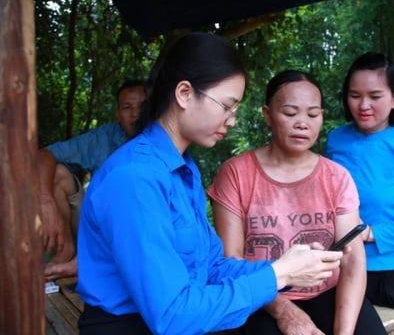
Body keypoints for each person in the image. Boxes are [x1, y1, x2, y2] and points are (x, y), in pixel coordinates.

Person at [75, 32, 343, 335]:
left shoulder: (182, 169)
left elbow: (212, 266)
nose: (231, 120)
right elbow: (172, 315)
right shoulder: (135, 178)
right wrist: (277, 276)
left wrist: (286, 266)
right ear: (185, 93)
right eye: (227, 106)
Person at [208, 69, 387, 335]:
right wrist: (285, 312)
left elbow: (352, 260)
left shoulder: (336, 177)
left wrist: (344, 333)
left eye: (313, 114)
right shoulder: (235, 174)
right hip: (261, 297)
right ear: (268, 115)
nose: (302, 123)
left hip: (328, 293)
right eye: (290, 113)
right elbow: (230, 260)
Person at [324, 52, 394, 335]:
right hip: (337, 267)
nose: (363, 105)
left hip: (388, 273)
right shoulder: (336, 140)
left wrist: (369, 233)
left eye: (375, 95)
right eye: (355, 95)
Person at [40, 79, 146, 281]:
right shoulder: (105, 137)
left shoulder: (166, 142)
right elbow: (44, 155)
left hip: (134, 237)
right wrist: (45, 200)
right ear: (117, 114)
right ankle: (66, 252)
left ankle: (87, 263)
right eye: (126, 107)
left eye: (143, 106)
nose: (135, 113)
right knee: (57, 172)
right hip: (94, 231)